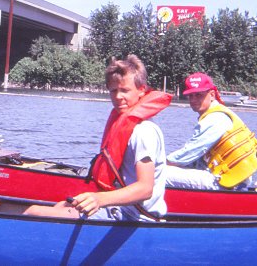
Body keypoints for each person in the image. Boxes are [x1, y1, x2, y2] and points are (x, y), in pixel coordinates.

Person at [24, 55, 171, 221]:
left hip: (137, 218)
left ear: (142, 90)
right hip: (121, 209)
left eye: (125, 90)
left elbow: (145, 188)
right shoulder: (125, 124)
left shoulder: (144, 131)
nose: (118, 96)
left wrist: (98, 199)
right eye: (113, 91)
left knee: (33, 211)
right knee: (58, 206)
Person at [165, 72, 257, 190]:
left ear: (211, 95)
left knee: (157, 173)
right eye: (190, 96)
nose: (193, 99)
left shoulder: (215, 118)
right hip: (233, 180)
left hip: (225, 182)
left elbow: (189, 153)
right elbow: (194, 159)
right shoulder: (218, 113)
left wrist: (160, 163)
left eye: (198, 95)